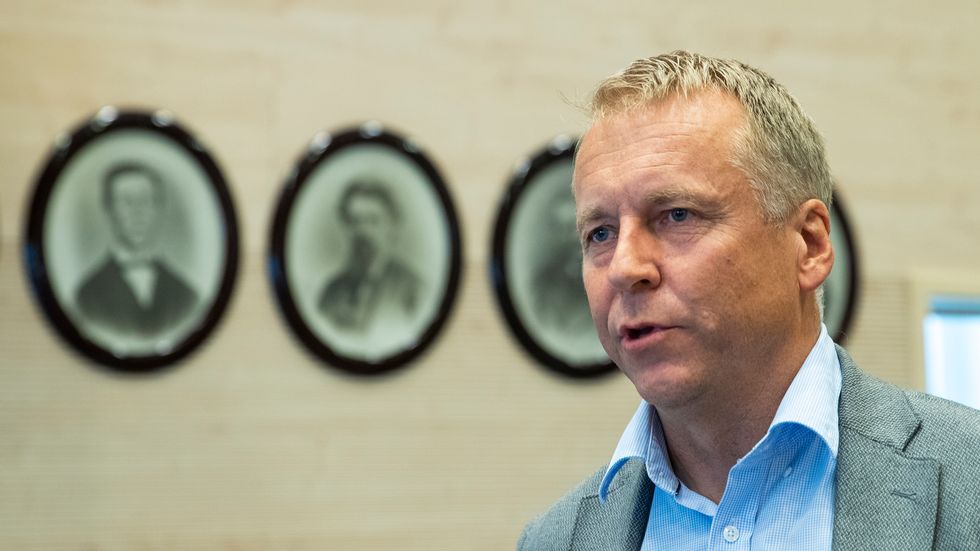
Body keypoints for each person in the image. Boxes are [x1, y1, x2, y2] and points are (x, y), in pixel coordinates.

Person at [518, 51, 980, 550]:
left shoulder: (966, 478)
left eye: (677, 215)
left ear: (809, 245)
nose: (625, 267)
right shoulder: (554, 541)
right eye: (600, 233)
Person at [75, 162, 198, 338]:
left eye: (145, 200)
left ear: (158, 208)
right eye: (126, 201)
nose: (137, 211)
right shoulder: (86, 297)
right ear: (109, 210)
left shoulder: (187, 296)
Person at [317, 178, 421, 332]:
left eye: (373, 221)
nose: (363, 231)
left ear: (392, 227)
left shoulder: (414, 290)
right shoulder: (331, 293)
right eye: (354, 222)